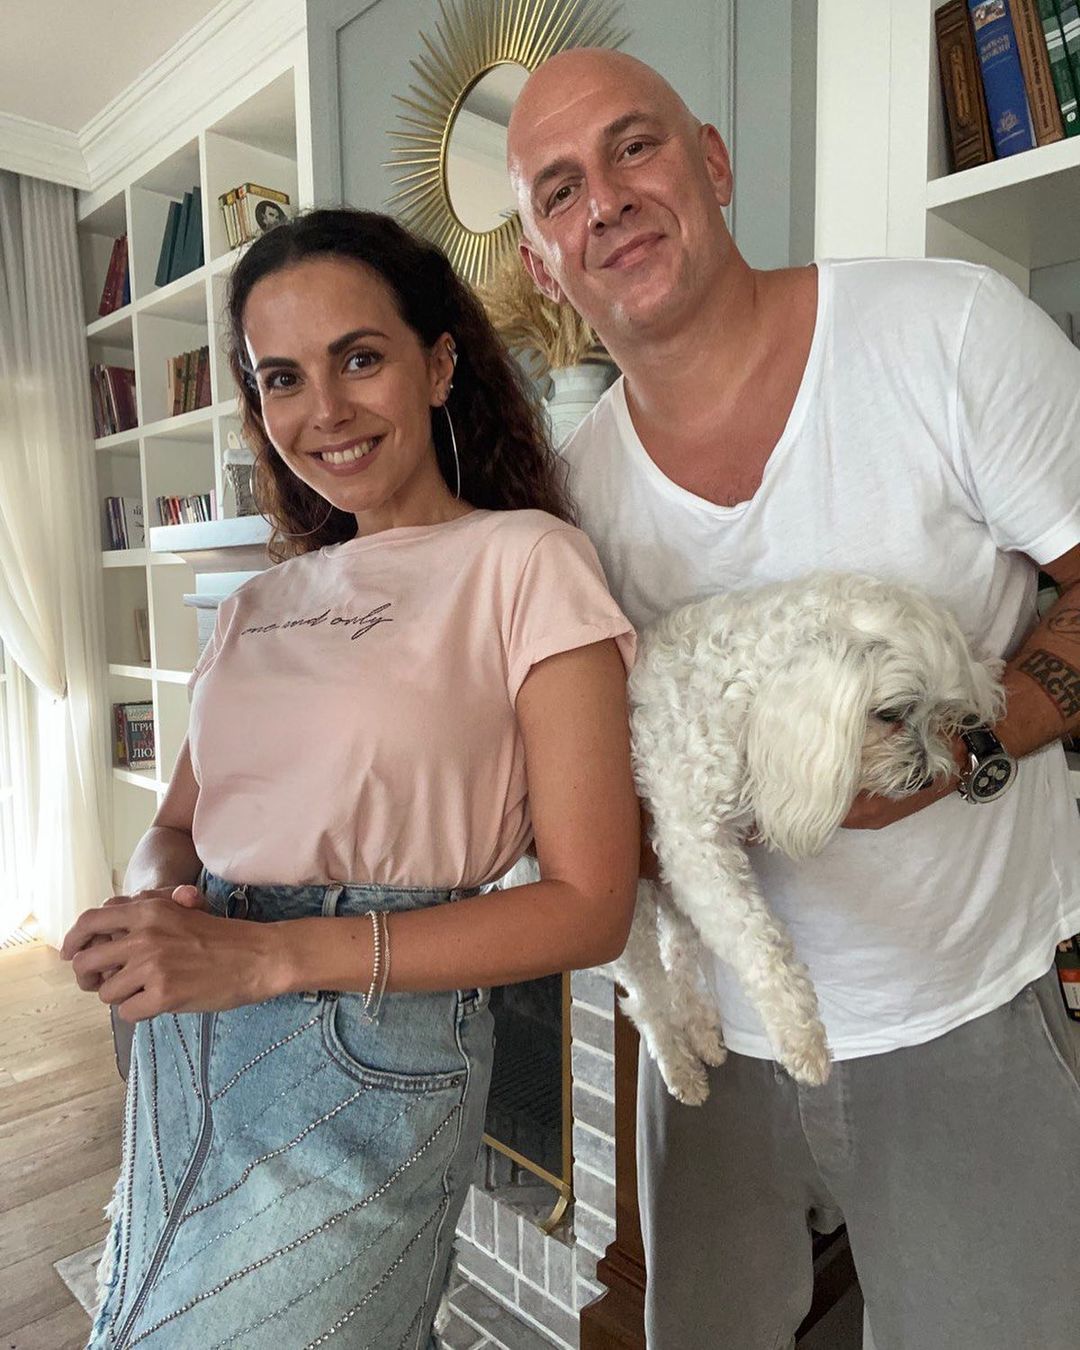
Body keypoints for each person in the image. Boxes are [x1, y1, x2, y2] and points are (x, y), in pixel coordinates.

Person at [506, 48, 1080, 1350]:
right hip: (716, 1053)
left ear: (710, 160)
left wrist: (970, 746)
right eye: (560, 189)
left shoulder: (949, 335)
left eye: (634, 146)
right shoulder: (569, 508)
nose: (607, 199)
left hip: (968, 1011)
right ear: (543, 263)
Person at [61, 207, 639, 1350]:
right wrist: (149, 904)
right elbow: (179, 825)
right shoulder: (256, 603)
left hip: (368, 1045)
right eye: (282, 378)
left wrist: (271, 956)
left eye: (358, 358)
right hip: (189, 1036)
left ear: (439, 365)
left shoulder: (525, 562)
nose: (322, 409)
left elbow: (592, 904)